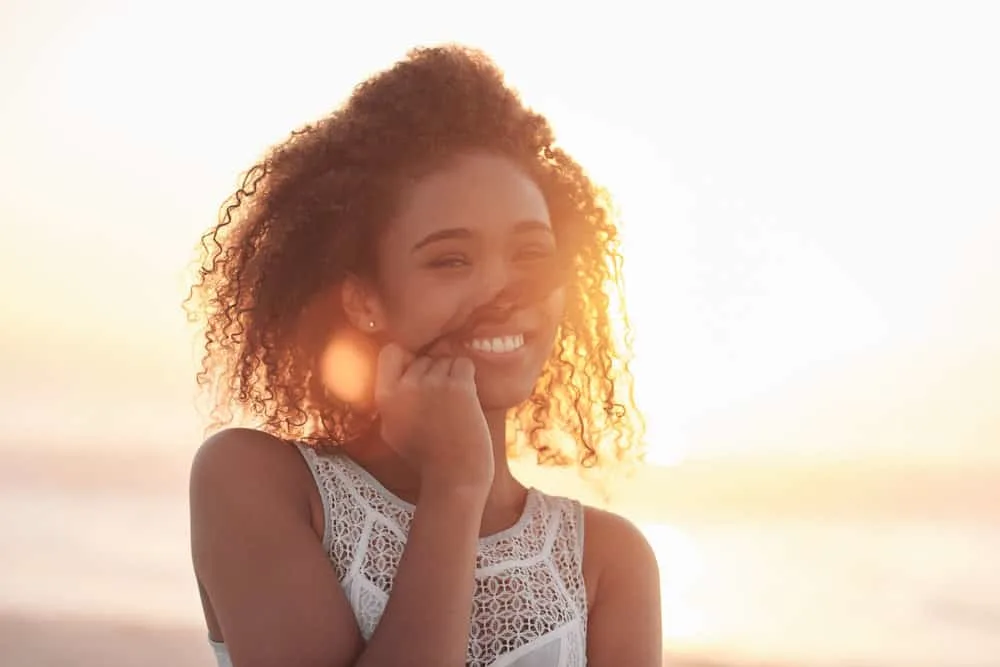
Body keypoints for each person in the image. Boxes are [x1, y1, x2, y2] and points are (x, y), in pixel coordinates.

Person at [186, 44, 662, 667]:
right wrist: (456, 487)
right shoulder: (256, 481)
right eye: (452, 260)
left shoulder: (608, 563)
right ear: (363, 297)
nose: (505, 294)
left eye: (531, 254)